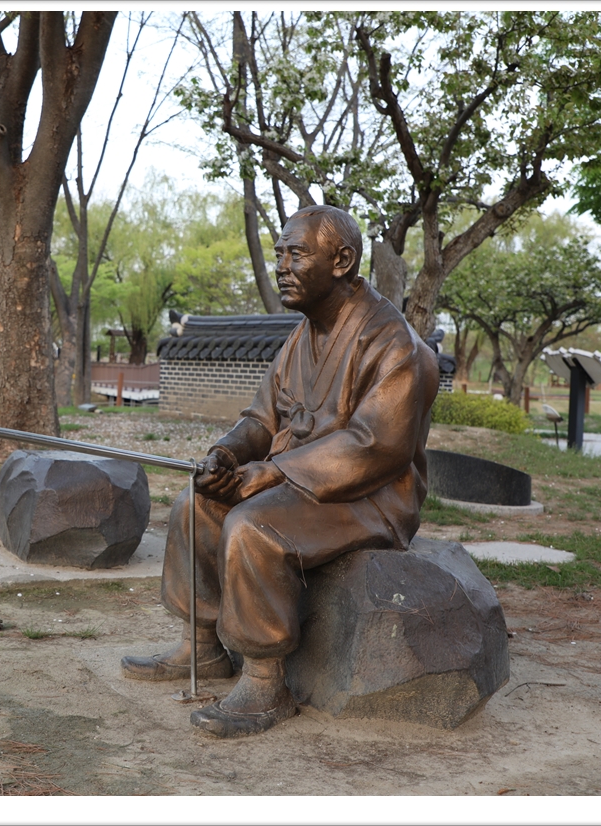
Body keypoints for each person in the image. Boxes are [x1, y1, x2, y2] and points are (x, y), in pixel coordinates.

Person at [121, 204, 439, 738]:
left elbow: (377, 446)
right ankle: (201, 646)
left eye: (297, 254)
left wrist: (273, 474)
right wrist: (226, 454)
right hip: (301, 482)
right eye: (279, 255)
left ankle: (265, 680)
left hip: (371, 494)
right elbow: (261, 420)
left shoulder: (393, 341)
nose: (282, 267)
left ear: (342, 260)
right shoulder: (302, 336)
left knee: (253, 527)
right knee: (196, 505)